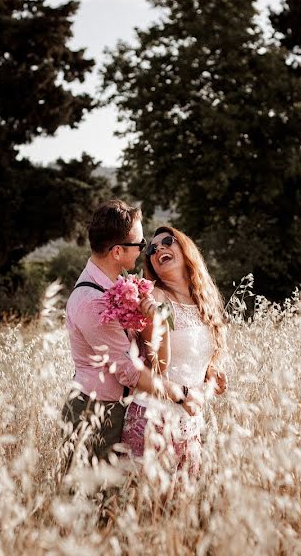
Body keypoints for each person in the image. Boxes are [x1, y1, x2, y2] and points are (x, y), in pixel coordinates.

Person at [62, 201, 200, 472]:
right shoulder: (92, 300)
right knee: (91, 502)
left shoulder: (113, 286)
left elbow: (149, 358)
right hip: (96, 411)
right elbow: (129, 372)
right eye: (140, 243)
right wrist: (181, 394)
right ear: (117, 251)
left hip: (117, 407)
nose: (144, 249)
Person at [121, 226, 227, 476]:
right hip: (153, 419)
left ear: (184, 247)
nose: (159, 249)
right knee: (150, 510)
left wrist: (211, 376)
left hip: (190, 421)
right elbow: (158, 367)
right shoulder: (155, 297)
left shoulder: (204, 300)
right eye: (152, 249)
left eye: (167, 241)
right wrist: (158, 323)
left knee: (181, 510)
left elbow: (199, 357)